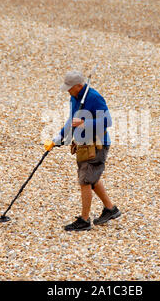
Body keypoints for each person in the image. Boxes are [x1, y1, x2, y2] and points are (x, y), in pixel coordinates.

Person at [44, 70, 121, 231]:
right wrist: (59, 137)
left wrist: (85, 123)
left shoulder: (94, 97)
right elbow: (72, 119)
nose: (67, 91)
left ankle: (84, 220)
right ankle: (110, 209)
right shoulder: (75, 97)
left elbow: (108, 121)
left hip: (97, 145)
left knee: (85, 181)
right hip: (83, 144)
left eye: (70, 88)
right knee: (91, 178)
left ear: (79, 86)